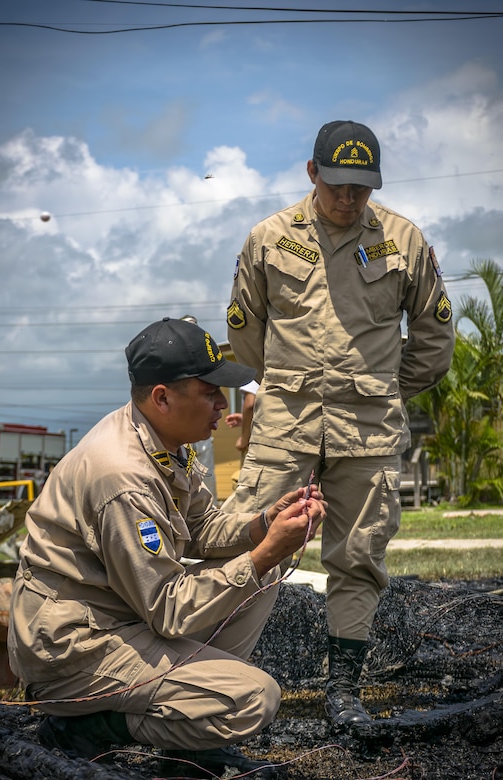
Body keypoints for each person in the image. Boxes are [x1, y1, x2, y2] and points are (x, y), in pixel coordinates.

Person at [7, 317, 326, 779]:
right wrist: (264, 553)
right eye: (210, 391)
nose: (222, 403)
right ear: (162, 397)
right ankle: (89, 726)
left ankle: (191, 715)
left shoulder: (167, 442)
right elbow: (168, 610)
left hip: (121, 615)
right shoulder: (121, 476)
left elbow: (201, 527)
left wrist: (263, 526)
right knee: (251, 699)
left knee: (264, 574)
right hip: (73, 647)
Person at [227, 120, 455, 727]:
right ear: (312, 174)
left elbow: (434, 338)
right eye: (337, 186)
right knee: (245, 538)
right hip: (285, 425)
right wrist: (271, 390)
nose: (348, 199)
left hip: (369, 431)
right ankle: (209, 669)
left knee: (359, 555)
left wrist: (381, 391)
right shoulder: (269, 238)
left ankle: (343, 689)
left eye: (361, 188)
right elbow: (245, 333)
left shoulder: (403, 242)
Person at [180, 314, 219, 502]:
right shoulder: (173, 360)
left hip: (203, 430)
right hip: (181, 430)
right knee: (182, 477)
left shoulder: (208, 359)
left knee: (206, 476)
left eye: (194, 327)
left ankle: (210, 515)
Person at [225, 379, 259, 460]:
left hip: (256, 445)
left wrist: (244, 440)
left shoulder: (254, 373)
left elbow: (250, 404)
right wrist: (246, 419)